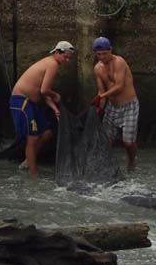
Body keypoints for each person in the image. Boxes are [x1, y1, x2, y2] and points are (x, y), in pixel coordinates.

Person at [9, 41, 75, 176]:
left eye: (69, 58)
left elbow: (41, 90)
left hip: (33, 103)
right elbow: (45, 90)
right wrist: (55, 94)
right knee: (32, 138)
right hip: (21, 101)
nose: (67, 60)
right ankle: (34, 175)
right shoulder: (52, 64)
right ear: (57, 52)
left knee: (47, 134)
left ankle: (28, 161)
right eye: (65, 57)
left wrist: (54, 108)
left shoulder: (51, 63)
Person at [91, 37, 139, 170]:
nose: (102, 57)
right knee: (107, 140)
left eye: (105, 53)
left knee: (128, 142)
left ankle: (132, 161)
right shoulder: (98, 68)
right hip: (112, 107)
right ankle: (107, 165)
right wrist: (99, 108)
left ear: (110, 50)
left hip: (129, 106)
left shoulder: (119, 62)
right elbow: (101, 91)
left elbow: (119, 86)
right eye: (99, 54)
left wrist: (102, 95)